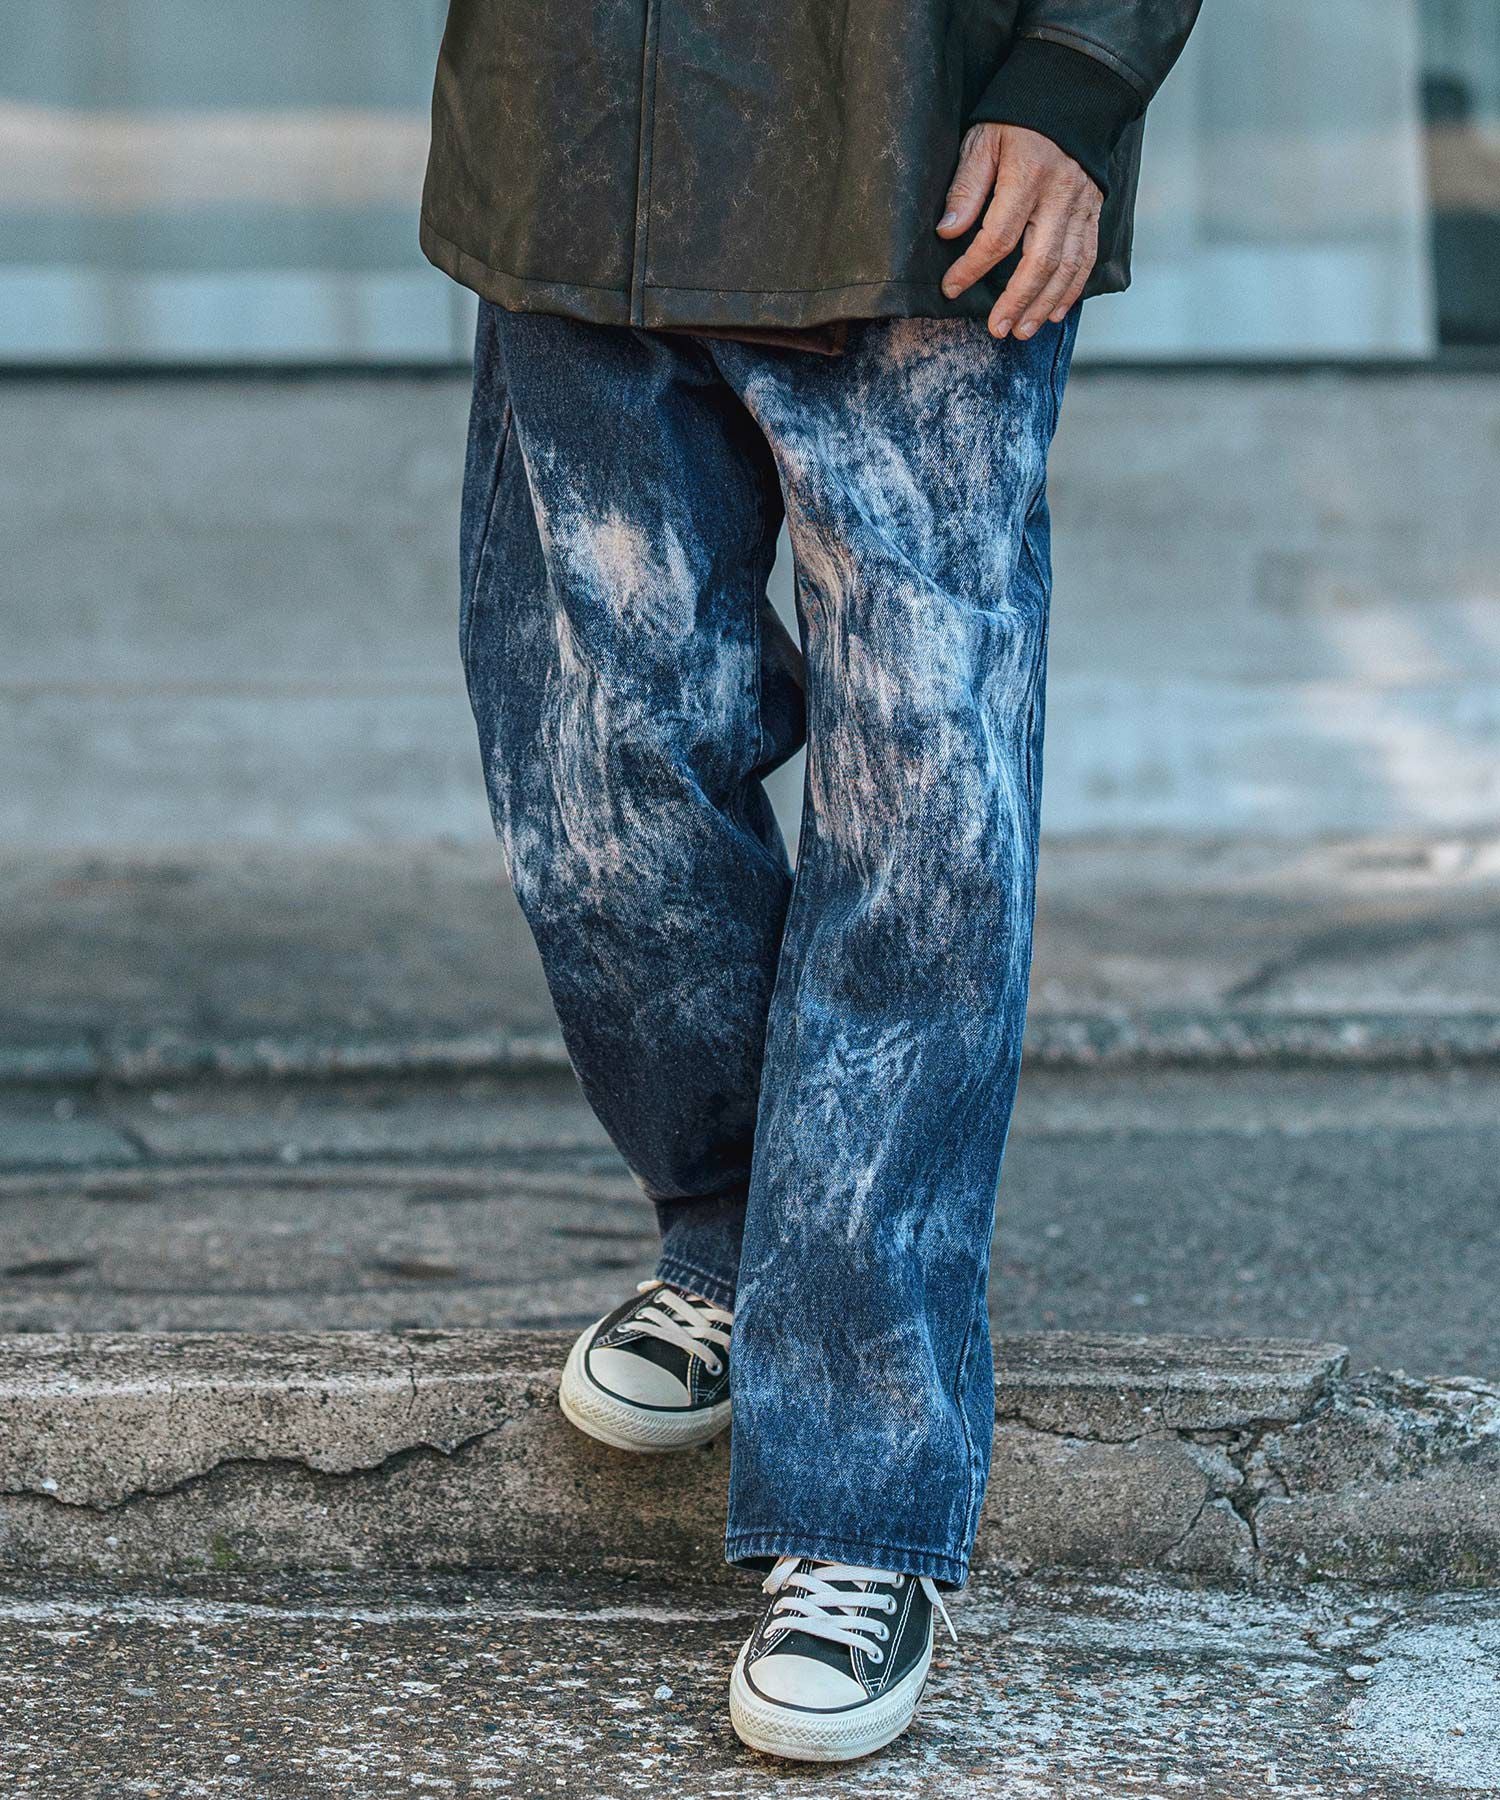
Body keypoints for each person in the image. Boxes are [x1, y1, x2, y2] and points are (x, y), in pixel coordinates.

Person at [422, 0, 1200, 1763]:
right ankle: (740, 1236)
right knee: (597, 783)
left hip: (931, 154)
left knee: (918, 826)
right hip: (574, 139)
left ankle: (860, 1489)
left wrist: (1079, 76)